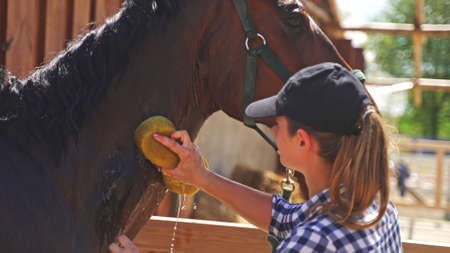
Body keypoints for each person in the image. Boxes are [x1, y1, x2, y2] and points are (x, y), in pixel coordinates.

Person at [109, 62, 402, 252]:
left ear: (302, 140)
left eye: (278, 124)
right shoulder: (375, 208)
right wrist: (202, 177)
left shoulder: (312, 242)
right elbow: (285, 217)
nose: (272, 131)